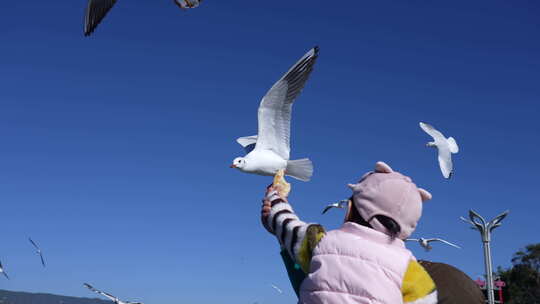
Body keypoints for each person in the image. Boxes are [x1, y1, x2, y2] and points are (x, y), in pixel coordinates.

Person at [261, 161, 438, 304]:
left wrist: (275, 197)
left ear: (349, 208)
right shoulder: (409, 268)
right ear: (406, 231)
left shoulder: (322, 242)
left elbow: (284, 223)